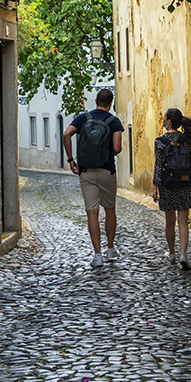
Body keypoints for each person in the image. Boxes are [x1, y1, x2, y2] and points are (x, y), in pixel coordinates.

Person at [63, 88, 124, 268]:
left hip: (86, 171)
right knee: (110, 209)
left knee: (92, 212)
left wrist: (71, 159)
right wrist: (105, 152)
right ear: (111, 103)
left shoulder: (83, 118)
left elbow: (67, 134)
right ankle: (111, 249)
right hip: (107, 171)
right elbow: (118, 148)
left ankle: (97, 255)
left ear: (95, 100)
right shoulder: (114, 122)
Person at [152, 108, 191, 270]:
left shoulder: (160, 141)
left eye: (164, 117)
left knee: (170, 221)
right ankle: (184, 254)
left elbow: (158, 165)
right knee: (183, 221)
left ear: (169, 121)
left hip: (167, 184)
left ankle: (172, 253)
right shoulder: (186, 140)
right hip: (184, 183)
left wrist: (155, 187)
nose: (163, 118)